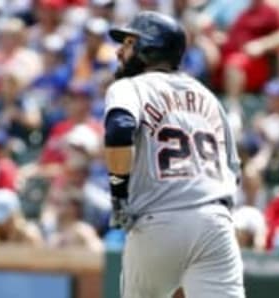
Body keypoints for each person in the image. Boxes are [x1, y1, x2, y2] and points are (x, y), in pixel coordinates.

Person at [104, 11, 243, 298]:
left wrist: (118, 192)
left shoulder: (130, 87)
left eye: (129, 42)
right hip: (215, 223)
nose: (119, 50)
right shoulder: (208, 96)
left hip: (159, 220)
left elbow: (119, 128)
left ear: (149, 48)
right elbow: (234, 169)